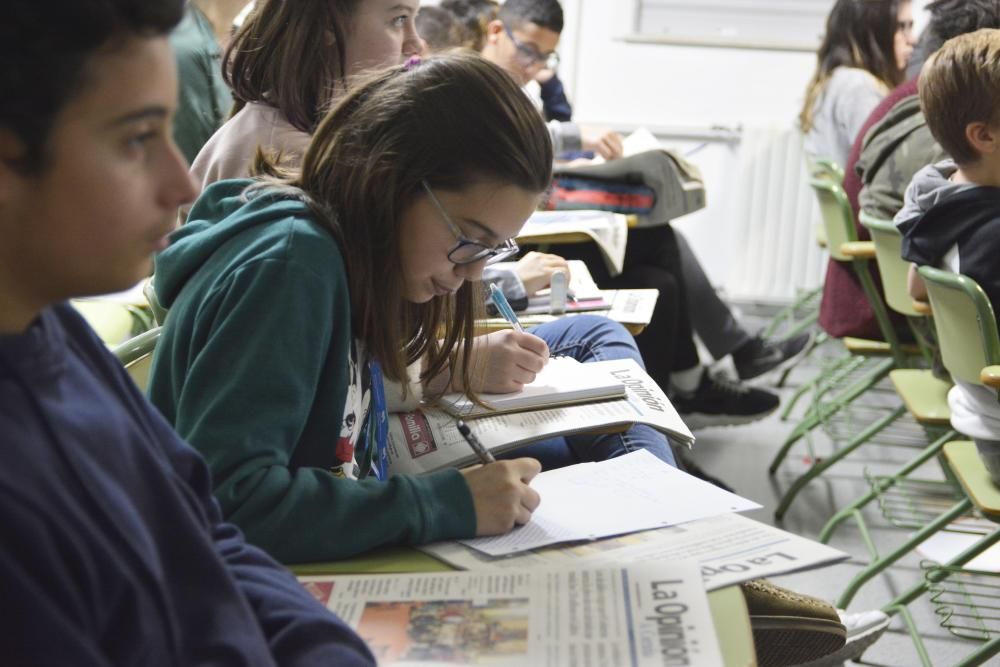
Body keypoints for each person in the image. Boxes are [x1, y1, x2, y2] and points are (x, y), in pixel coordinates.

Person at [0, 0, 373, 663]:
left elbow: (206, 536)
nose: (180, 182)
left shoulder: (52, 330)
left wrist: (323, 649)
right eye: (138, 138)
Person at [470, 0, 810, 428]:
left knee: (660, 280)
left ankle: (675, 411)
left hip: (532, 222)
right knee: (659, 238)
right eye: (529, 52)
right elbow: (523, 146)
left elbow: (548, 132)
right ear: (496, 32)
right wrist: (573, 137)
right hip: (521, 237)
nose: (534, 64)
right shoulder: (475, 86)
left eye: (547, 56)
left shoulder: (518, 87)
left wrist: (550, 85)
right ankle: (699, 384)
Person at [819, 0, 1000, 341]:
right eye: (901, 27)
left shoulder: (934, 181)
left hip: (913, 316)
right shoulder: (934, 143)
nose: (911, 38)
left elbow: (917, 284)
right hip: (903, 320)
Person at [897, 28, 1000, 483]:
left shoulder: (941, 201)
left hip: (981, 421)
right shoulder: (992, 234)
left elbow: (916, 288)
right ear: (984, 136)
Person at [800, 0, 916, 169]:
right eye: (901, 27)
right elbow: (881, 166)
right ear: (870, 33)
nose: (913, 39)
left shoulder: (839, 79)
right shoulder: (859, 88)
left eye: (910, 27)